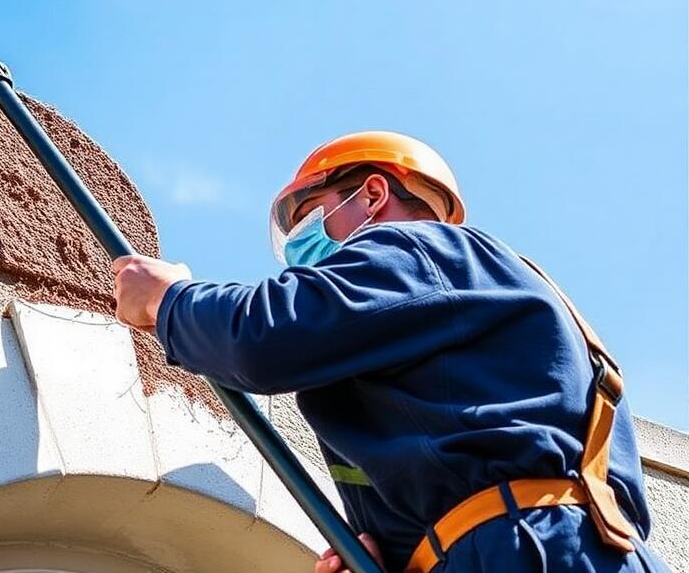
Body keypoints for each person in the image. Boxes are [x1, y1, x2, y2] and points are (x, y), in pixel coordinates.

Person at [111, 131, 670, 573]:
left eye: (309, 213)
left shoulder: (419, 248)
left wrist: (169, 300)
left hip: (529, 547)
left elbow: (265, 336)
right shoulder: (476, 303)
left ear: (373, 195)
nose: (301, 250)